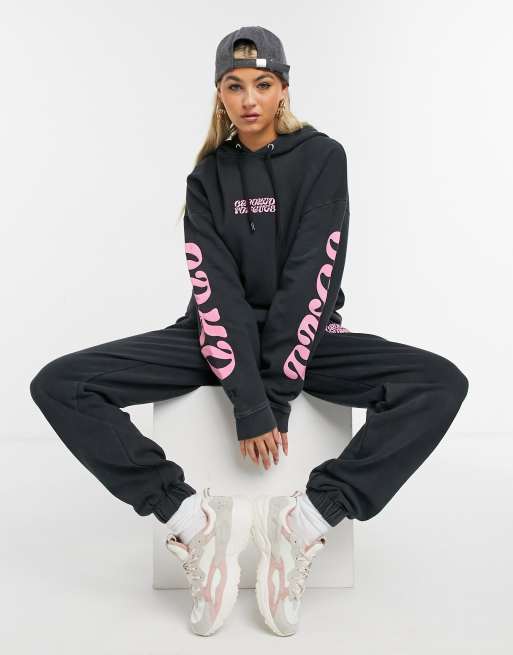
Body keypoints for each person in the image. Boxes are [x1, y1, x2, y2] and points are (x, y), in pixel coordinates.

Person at [29, 26, 469, 638]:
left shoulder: (322, 158)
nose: (249, 99)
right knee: (61, 385)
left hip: (308, 338)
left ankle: (305, 521)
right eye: (234, 86)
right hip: (214, 338)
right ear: (220, 94)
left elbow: (312, 276)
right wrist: (249, 403)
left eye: (262, 83)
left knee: (439, 384)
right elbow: (217, 292)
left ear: (284, 89)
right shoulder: (207, 178)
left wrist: (275, 396)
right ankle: (192, 522)